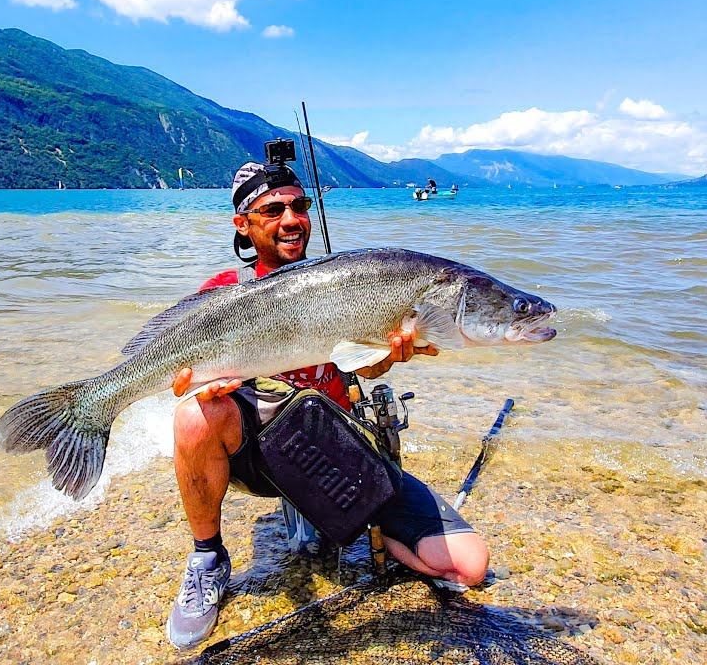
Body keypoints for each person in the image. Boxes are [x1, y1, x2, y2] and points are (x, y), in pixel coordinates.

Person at [163, 161, 490, 649]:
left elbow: (364, 367)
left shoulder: (350, 281)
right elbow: (181, 379)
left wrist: (389, 355)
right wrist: (197, 387)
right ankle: (208, 558)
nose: (292, 219)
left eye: (299, 206)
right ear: (243, 225)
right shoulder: (222, 294)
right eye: (273, 210)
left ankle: (361, 523)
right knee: (194, 414)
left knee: (469, 565)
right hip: (257, 454)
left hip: (331, 452)